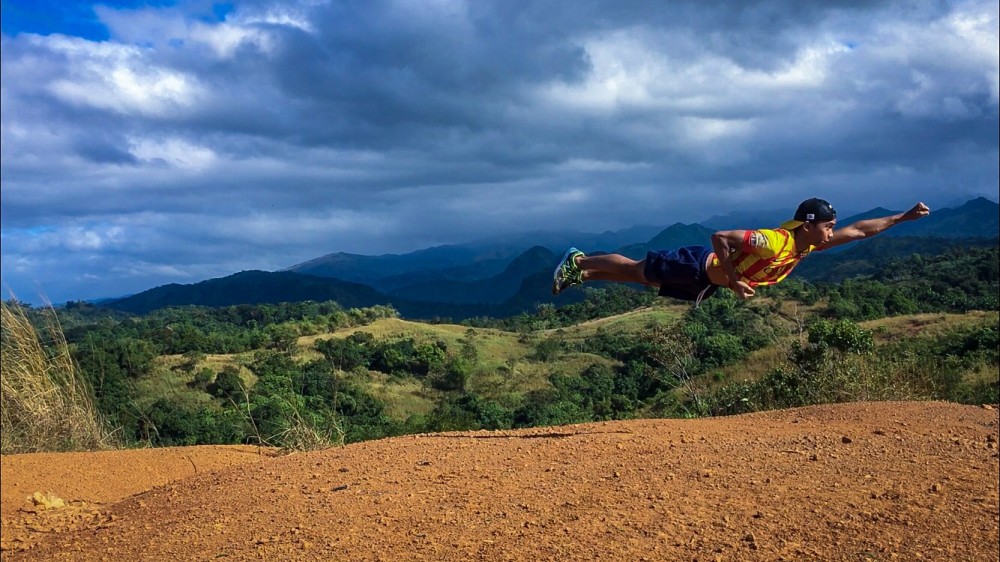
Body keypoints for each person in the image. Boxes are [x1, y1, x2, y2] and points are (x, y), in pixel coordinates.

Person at [552, 198, 931, 304]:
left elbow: (863, 231)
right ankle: (579, 259)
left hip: (706, 279)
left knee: (645, 281)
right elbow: (722, 236)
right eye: (828, 224)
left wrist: (904, 217)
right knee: (638, 270)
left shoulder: (809, 245)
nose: (833, 230)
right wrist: (734, 280)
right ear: (809, 223)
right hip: (699, 264)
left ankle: (583, 274)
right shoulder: (775, 241)